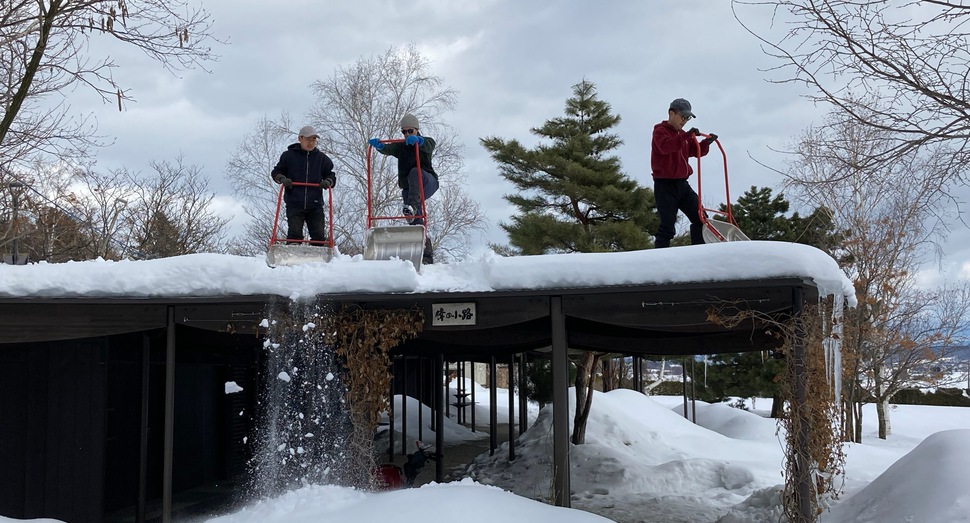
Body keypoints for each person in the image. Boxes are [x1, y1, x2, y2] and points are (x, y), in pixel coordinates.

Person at [368, 113, 439, 263]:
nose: (407, 135)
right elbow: (390, 148)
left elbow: (429, 144)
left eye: (410, 131)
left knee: (414, 173)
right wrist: (380, 146)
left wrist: (418, 141)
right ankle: (424, 254)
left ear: (416, 130)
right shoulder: (402, 147)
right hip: (411, 189)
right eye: (404, 132)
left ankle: (413, 207)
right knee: (415, 219)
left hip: (427, 181)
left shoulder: (426, 142)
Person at [650, 98, 718, 248]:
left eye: (687, 118)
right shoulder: (660, 131)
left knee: (701, 219)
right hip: (665, 185)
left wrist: (706, 143)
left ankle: (698, 251)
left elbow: (695, 151)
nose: (684, 121)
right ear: (671, 113)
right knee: (667, 226)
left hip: (682, 184)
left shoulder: (683, 136)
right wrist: (686, 136)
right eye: (682, 117)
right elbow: (666, 147)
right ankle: (660, 258)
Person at [271, 125, 337, 245]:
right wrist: (282, 179)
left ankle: (319, 260)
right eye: (308, 139)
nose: (311, 143)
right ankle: (292, 259)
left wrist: (328, 182)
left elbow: (331, 174)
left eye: (313, 140)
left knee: (318, 236)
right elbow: (276, 172)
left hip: (315, 203)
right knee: (294, 234)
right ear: (300, 138)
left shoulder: (322, 158)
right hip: (294, 202)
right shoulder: (288, 156)